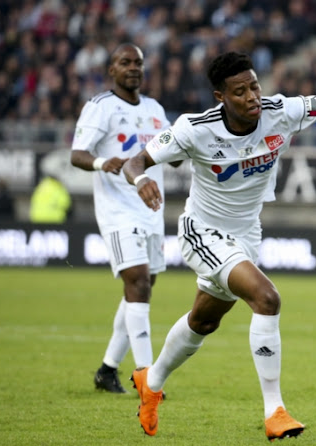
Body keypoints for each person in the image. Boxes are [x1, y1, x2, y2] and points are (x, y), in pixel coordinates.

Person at [122, 51, 316, 439]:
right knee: (267, 298)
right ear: (221, 97)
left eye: (254, 86)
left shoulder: (282, 111)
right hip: (202, 231)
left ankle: (151, 382)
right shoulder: (193, 129)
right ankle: (275, 413)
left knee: (204, 320)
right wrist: (141, 181)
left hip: (246, 234)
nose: (252, 96)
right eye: (240, 91)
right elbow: (135, 162)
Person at [70, 44, 181, 394]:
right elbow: (77, 154)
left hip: (150, 209)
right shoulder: (100, 107)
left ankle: (107, 370)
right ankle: (148, 377)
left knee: (142, 287)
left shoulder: (154, 109)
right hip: (118, 210)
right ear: (111, 70)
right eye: (125, 62)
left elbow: (172, 152)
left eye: (138, 63)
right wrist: (105, 163)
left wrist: (187, 145)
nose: (133, 68)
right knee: (137, 282)